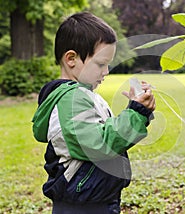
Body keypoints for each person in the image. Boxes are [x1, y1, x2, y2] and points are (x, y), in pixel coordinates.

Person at [32, 12, 155, 214]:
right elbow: (100, 145)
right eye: (100, 64)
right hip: (83, 205)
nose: (106, 72)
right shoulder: (71, 99)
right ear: (71, 59)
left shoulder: (81, 96)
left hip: (92, 199)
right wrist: (136, 112)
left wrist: (137, 109)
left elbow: (102, 132)